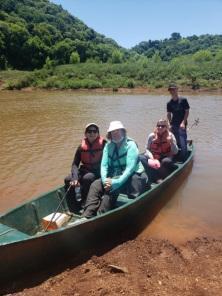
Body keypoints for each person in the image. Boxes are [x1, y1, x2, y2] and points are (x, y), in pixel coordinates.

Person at [82, 121, 148, 218]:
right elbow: (104, 166)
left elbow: (130, 169)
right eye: (113, 132)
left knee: (114, 188)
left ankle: (101, 216)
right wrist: (105, 181)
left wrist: (115, 182)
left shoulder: (131, 145)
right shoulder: (108, 146)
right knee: (95, 185)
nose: (116, 134)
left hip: (132, 174)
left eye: (118, 131)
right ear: (110, 135)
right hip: (116, 174)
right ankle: (87, 215)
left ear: (123, 132)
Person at [64, 123, 106, 212]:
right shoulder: (81, 147)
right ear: (85, 134)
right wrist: (75, 178)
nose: (92, 133)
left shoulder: (104, 144)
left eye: (94, 131)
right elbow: (75, 164)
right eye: (89, 131)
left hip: (97, 172)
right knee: (68, 179)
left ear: (98, 133)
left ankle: (87, 201)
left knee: (88, 178)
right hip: (85, 170)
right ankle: (74, 205)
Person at [140, 119, 178, 183]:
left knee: (166, 161)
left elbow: (175, 151)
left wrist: (172, 142)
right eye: (158, 125)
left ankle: (160, 177)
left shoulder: (171, 136)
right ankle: (156, 177)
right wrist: (152, 158)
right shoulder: (151, 136)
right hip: (154, 156)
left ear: (166, 127)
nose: (160, 127)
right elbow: (147, 149)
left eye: (163, 126)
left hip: (165, 157)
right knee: (140, 158)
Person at [167, 83, 190, 161]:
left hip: (181, 124)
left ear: (177, 89)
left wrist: (183, 122)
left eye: (174, 89)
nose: (172, 91)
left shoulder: (183, 100)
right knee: (175, 141)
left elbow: (187, 112)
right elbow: (169, 114)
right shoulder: (169, 103)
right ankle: (176, 155)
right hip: (174, 124)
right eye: (171, 90)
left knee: (183, 140)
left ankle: (184, 157)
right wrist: (170, 124)